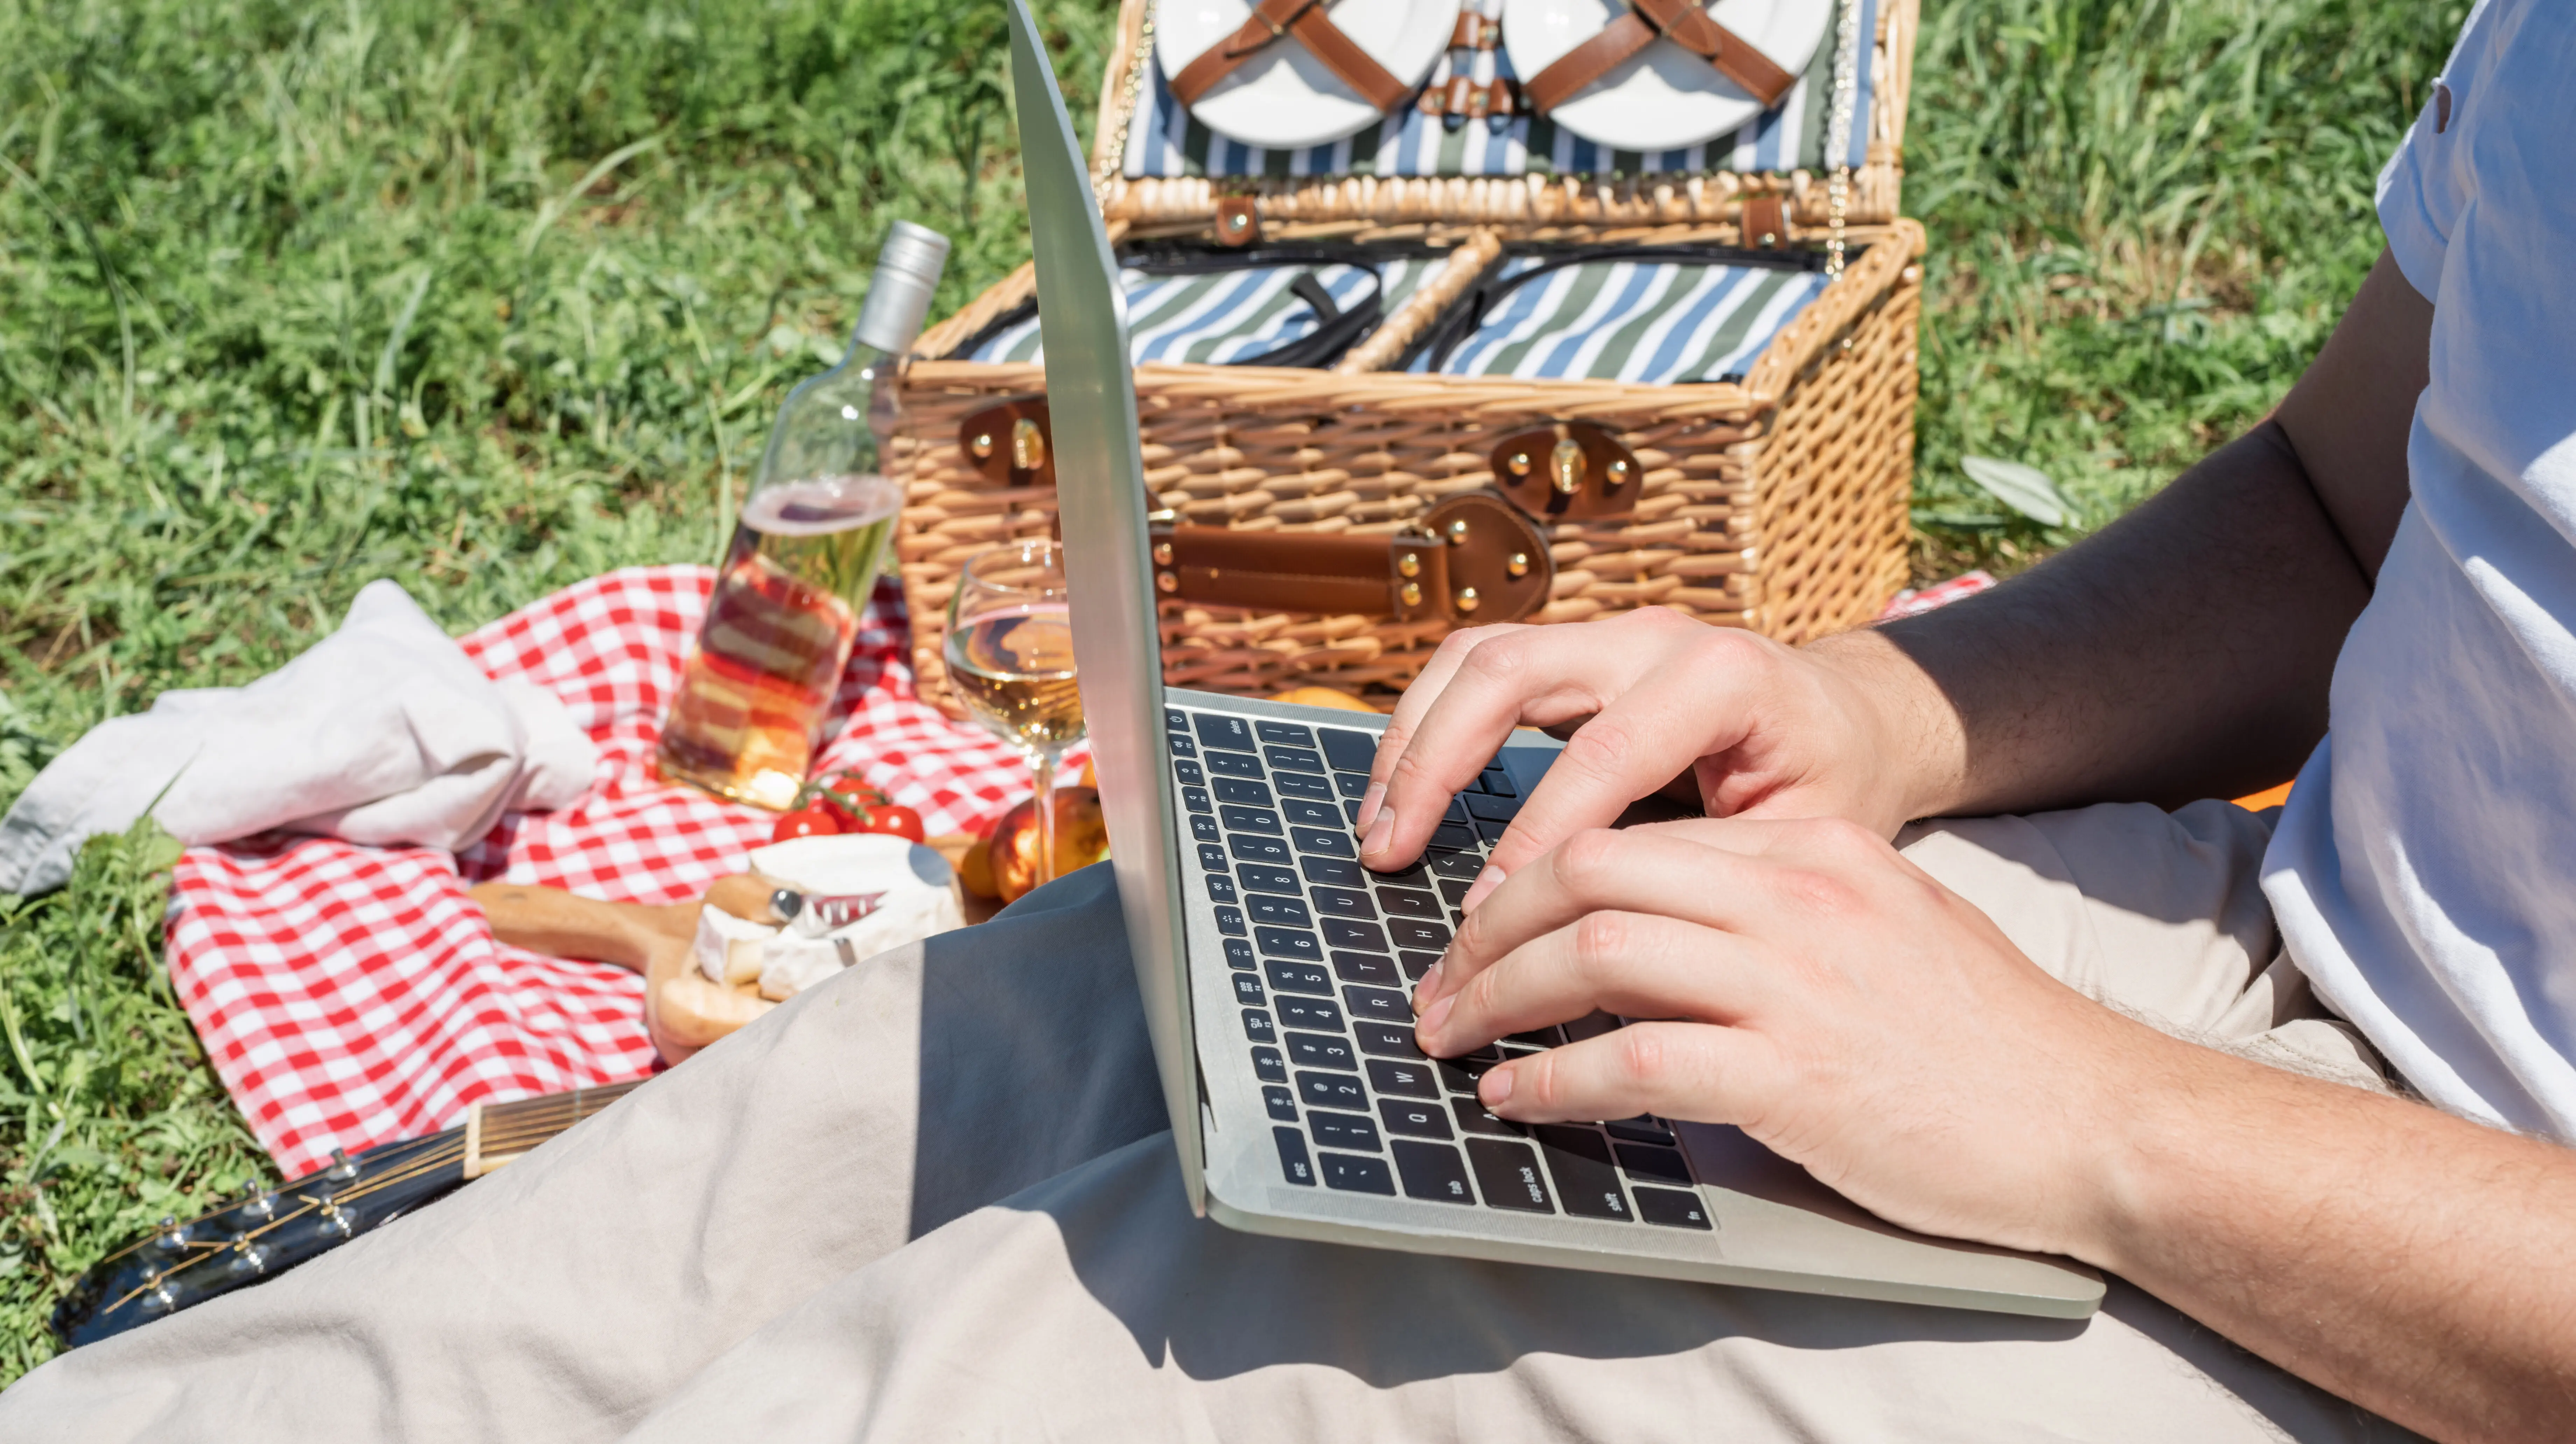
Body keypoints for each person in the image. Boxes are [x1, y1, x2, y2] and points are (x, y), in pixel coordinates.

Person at [6, 4, 2571, 1440]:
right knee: (1008, 1044)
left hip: (2438, 1287)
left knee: (1084, 1354)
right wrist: (1864, 703)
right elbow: (2345, 498)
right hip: (2278, 919)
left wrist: (2092, 1120)